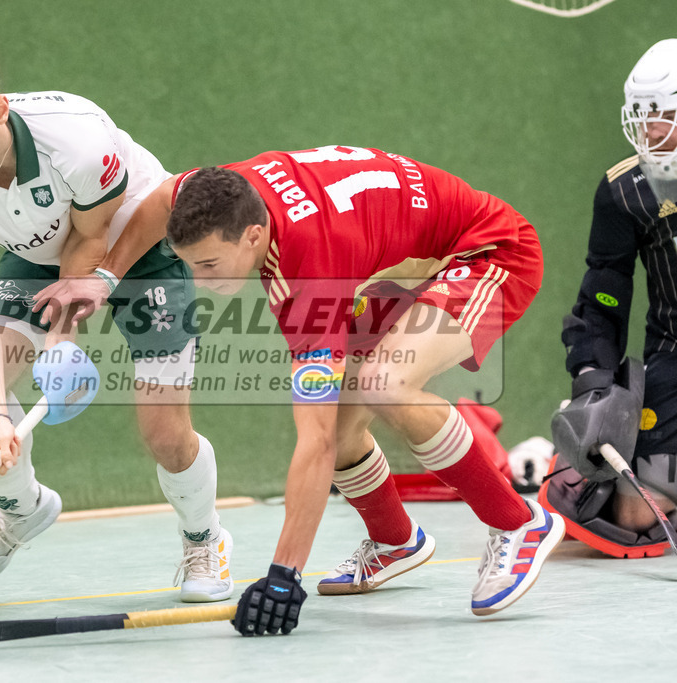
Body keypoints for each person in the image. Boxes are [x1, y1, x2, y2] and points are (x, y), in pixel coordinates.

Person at [43, 143, 566, 634]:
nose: (198, 281)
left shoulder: (308, 275)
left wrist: (283, 574)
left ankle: (519, 523)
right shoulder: (224, 193)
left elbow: (311, 445)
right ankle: (394, 540)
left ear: (251, 236)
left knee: (383, 386)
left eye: (207, 265)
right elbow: (162, 198)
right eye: (187, 265)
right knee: (342, 423)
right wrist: (107, 278)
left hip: (486, 251)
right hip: (393, 269)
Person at [0, 44, 233, 602]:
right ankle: (20, 508)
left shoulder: (75, 139)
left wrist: (60, 340)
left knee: (162, 432)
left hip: (136, 240)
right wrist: (1, 413)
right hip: (34, 252)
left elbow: (90, 238)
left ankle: (206, 538)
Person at [538, 38, 677, 559]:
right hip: (673, 350)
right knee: (635, 517)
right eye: (640, 116)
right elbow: (601, 300)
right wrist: (593, 387)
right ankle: (585, 464)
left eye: (661, 115)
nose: (649, 132)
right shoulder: (626, 191)